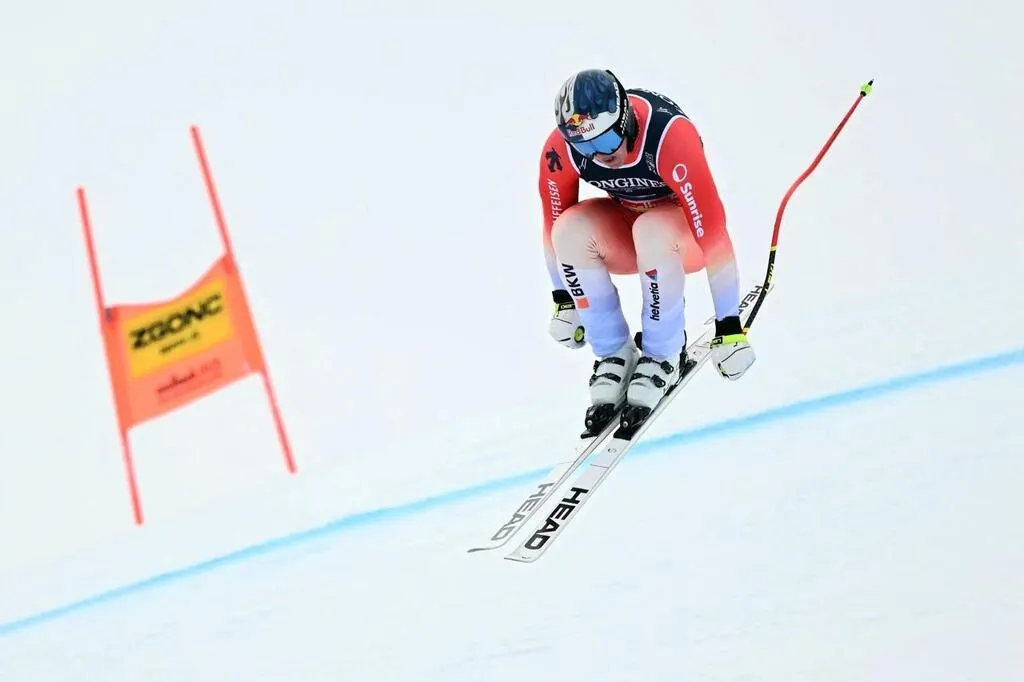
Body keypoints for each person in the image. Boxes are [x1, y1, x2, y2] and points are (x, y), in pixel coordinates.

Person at [539, 68, 756, 423]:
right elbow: (552, 224)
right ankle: (613, 352)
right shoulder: (561, 148)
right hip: (634, 233)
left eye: (606, 141)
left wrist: (729, 327)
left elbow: (714, 235)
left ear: (625, 121)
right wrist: (564, 299)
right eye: (585, 148)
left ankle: (662, 353)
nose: (599, 156)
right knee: (568, 231)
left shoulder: (668, 136)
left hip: (683, 239)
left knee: (652, 229)